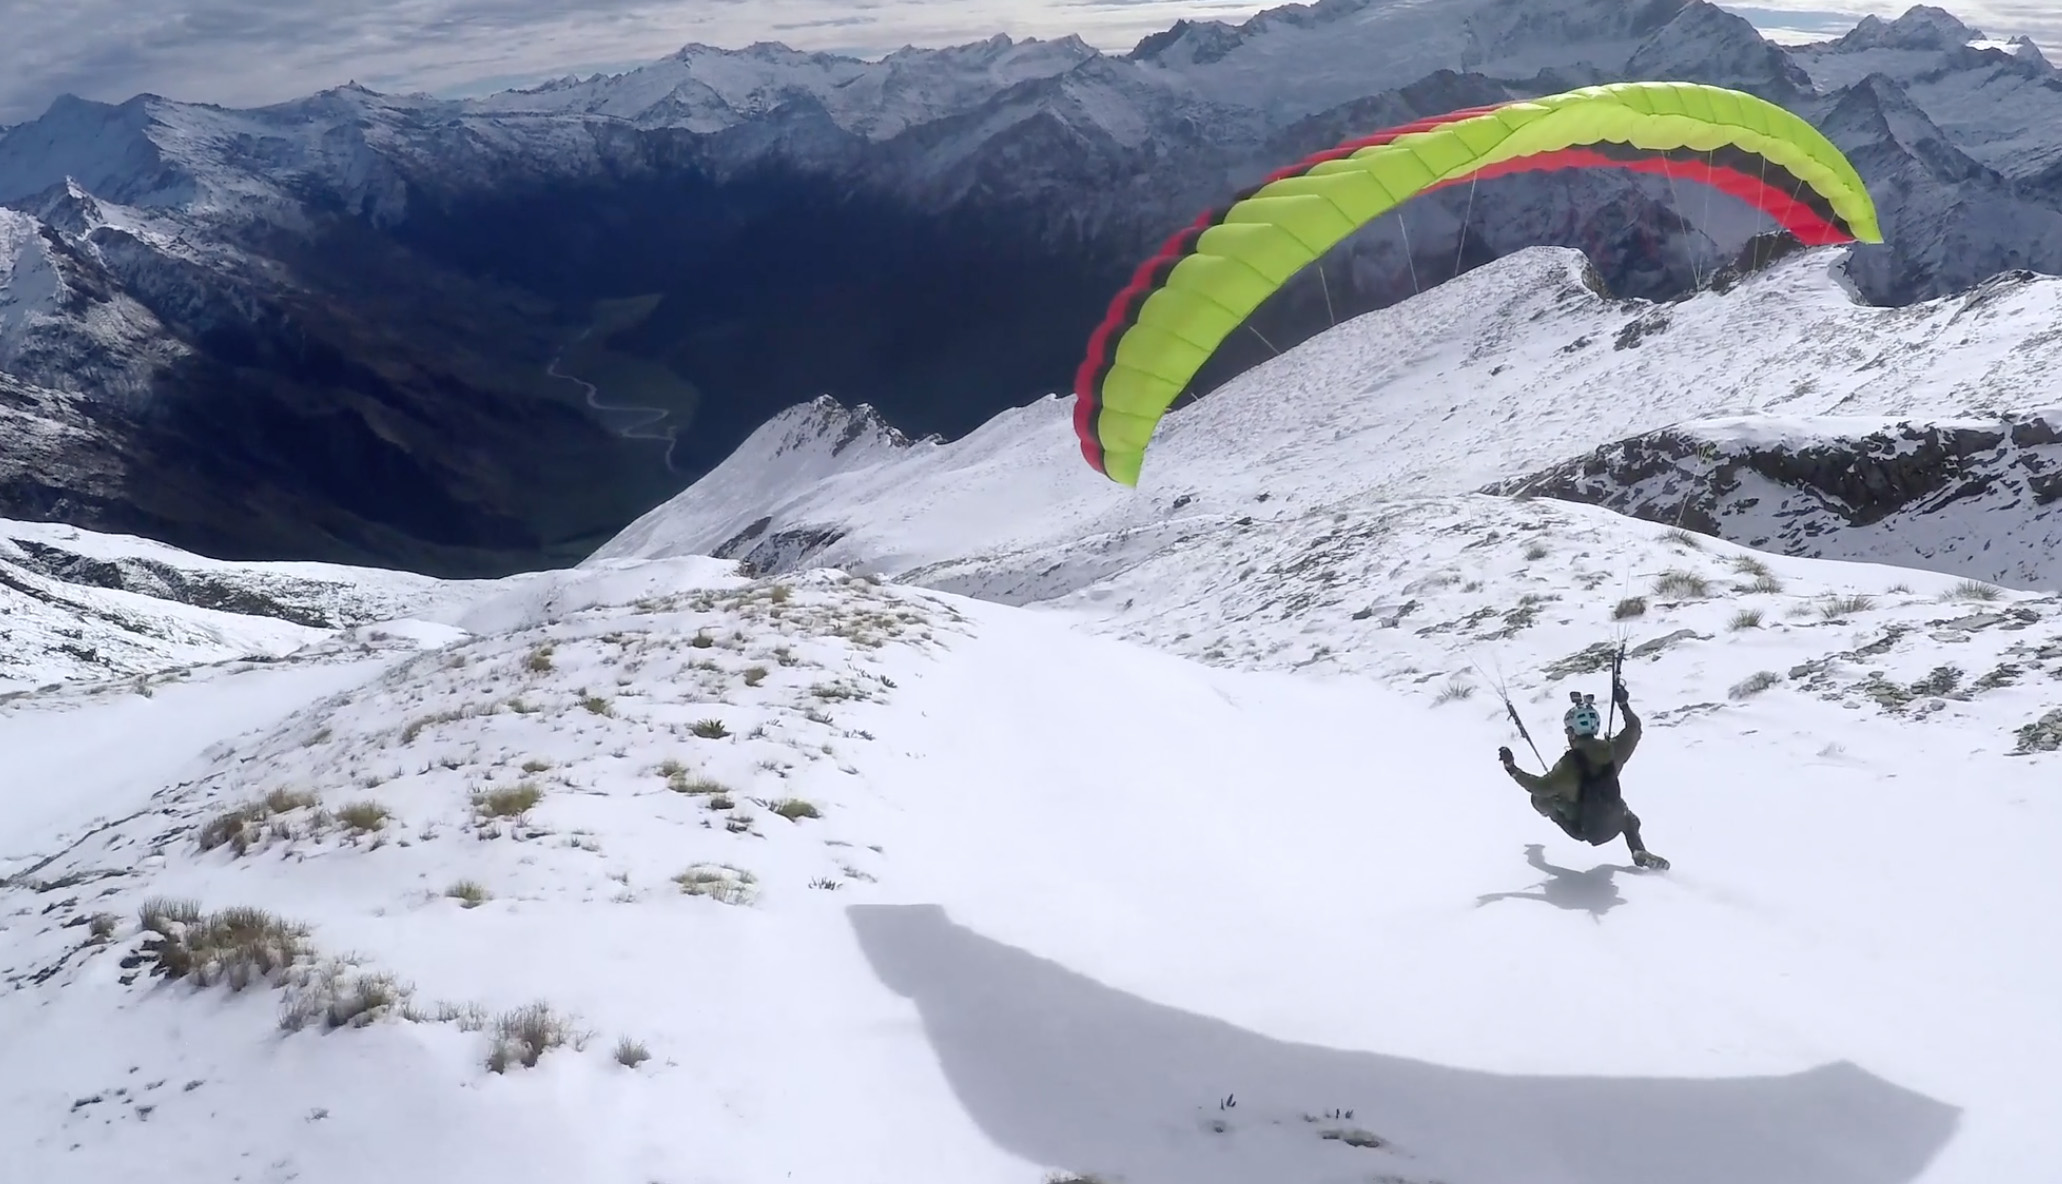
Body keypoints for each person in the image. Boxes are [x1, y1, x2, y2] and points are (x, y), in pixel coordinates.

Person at [1498, 676, 1669, 870]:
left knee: (1539, 799)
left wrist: (1512, 768)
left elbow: (1540, 787)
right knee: (1630, 820)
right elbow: (1634, 728)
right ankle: (1637, 850)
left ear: (1572, 733)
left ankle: (1548, 814)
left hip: (1584, 830)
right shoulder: (1614, 750)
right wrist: (1623, 704)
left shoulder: (1569, 764)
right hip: (1614, 823)